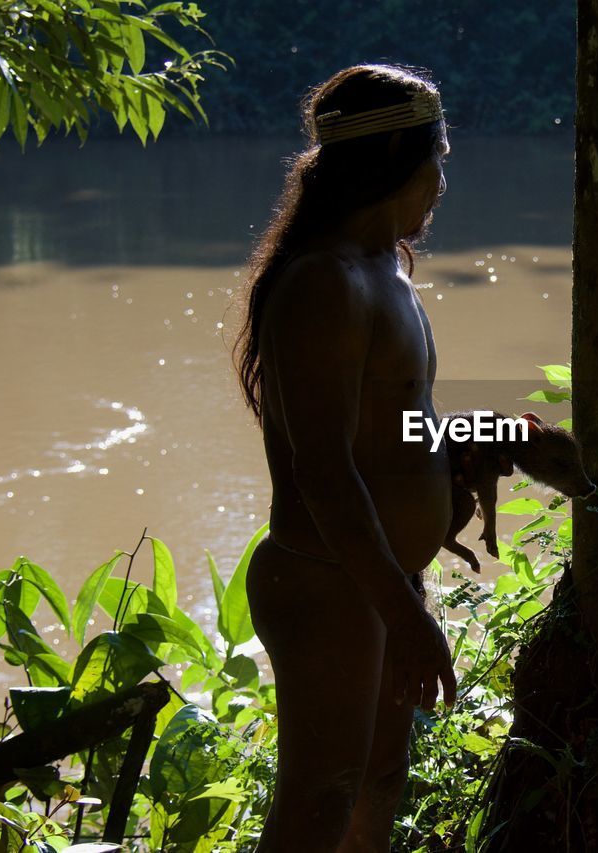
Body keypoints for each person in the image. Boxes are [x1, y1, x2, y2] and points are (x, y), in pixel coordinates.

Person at [233, 64, 458, 852]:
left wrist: (464, 464)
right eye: (438, 155)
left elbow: (393, 421)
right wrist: (403, 613)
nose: (442, 178)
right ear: (397, 153)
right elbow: (323, 472)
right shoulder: (323, 284)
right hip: (330, 581)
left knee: (379, 780)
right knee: (319, 799)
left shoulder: (388, 268)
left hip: (381, 579)